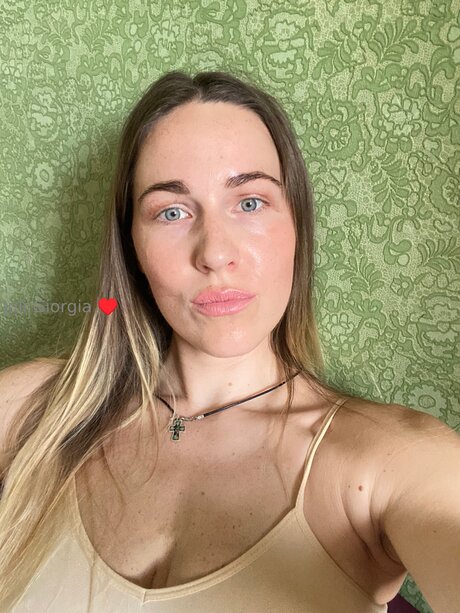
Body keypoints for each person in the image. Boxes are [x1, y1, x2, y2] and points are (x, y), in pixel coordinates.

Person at [0, 70, 459, 613]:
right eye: (172, 212)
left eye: (250, 203)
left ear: (297, 225)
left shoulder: (387, 461)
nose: (215, 253)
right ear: (132, 248)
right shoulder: (37, 410)